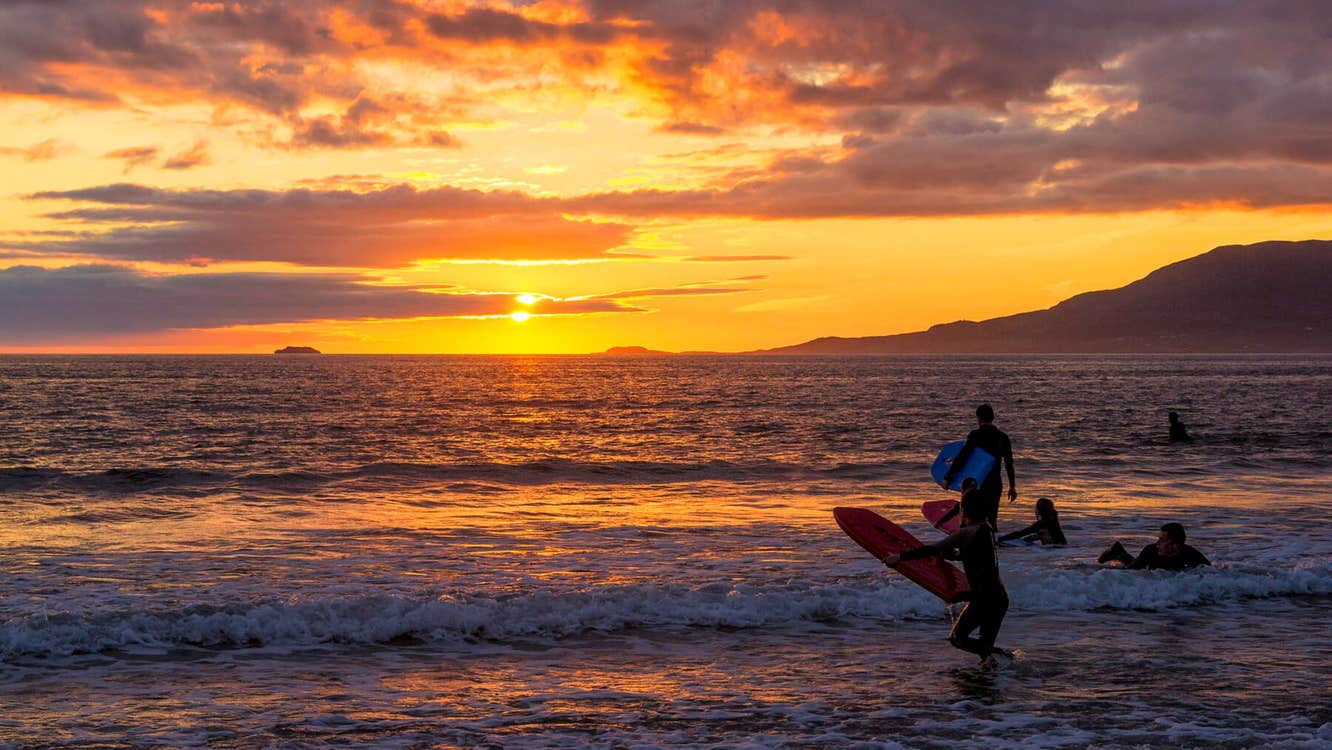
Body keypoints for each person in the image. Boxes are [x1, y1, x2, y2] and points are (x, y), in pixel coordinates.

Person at [882, 492, 1008, 662]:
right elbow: (977, 557)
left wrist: (899, 557)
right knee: (984, 647)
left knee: (958, 638)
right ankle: (995, 675)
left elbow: (932, 549)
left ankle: (1004, 658)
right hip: (999, 597)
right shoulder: (987, 530)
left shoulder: (966, 533)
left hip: (984, 599)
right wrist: (954, 555)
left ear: (964, 510)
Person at [942, 403, 1016, 531]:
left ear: (979, 418)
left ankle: (966, 547)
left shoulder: (975, 435)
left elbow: (962, 457)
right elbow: (1009, 463)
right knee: (991, 520)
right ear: (992, 418)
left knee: (969, 519)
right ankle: (992, 546)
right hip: (994, 483)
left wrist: (948, 477)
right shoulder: (1003, 437)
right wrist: (1012, 486)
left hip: (976, 483)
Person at [1097, 522, 1210, 570]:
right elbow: (1130, 570)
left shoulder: (1189, 552)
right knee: (1135, 565)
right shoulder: (1151, 549)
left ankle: (1120, 552)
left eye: (1162, 539)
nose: (1157, 543)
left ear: (1175, 544)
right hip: (1145, 564)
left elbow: (1209, 570)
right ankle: (1118, 553)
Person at [997, 497, 1066, 546]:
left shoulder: (1042, 523)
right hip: (1060, 549)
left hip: (1054, 551)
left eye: (1036, 508)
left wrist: (1001, 539)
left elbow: (1021, 533)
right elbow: (1039, 535)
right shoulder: (1052, 521)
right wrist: (1025, 540)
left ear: (1039, 511)